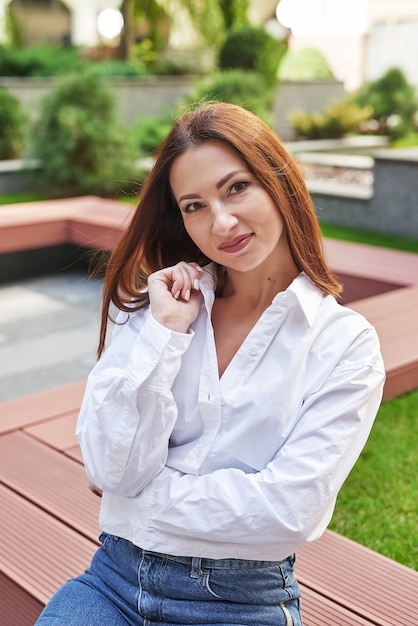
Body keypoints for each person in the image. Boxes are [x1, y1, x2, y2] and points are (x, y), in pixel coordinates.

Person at [35, 102, 385, 625]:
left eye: (237, 187)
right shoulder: (155, 308)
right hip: (113, 580)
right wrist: (166, 334)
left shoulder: (344, 345)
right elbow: (110, 466)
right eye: (194, 205)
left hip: (243, 600)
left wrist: (137, 497)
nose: (221, 222)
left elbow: (289, 513)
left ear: (279, 182)